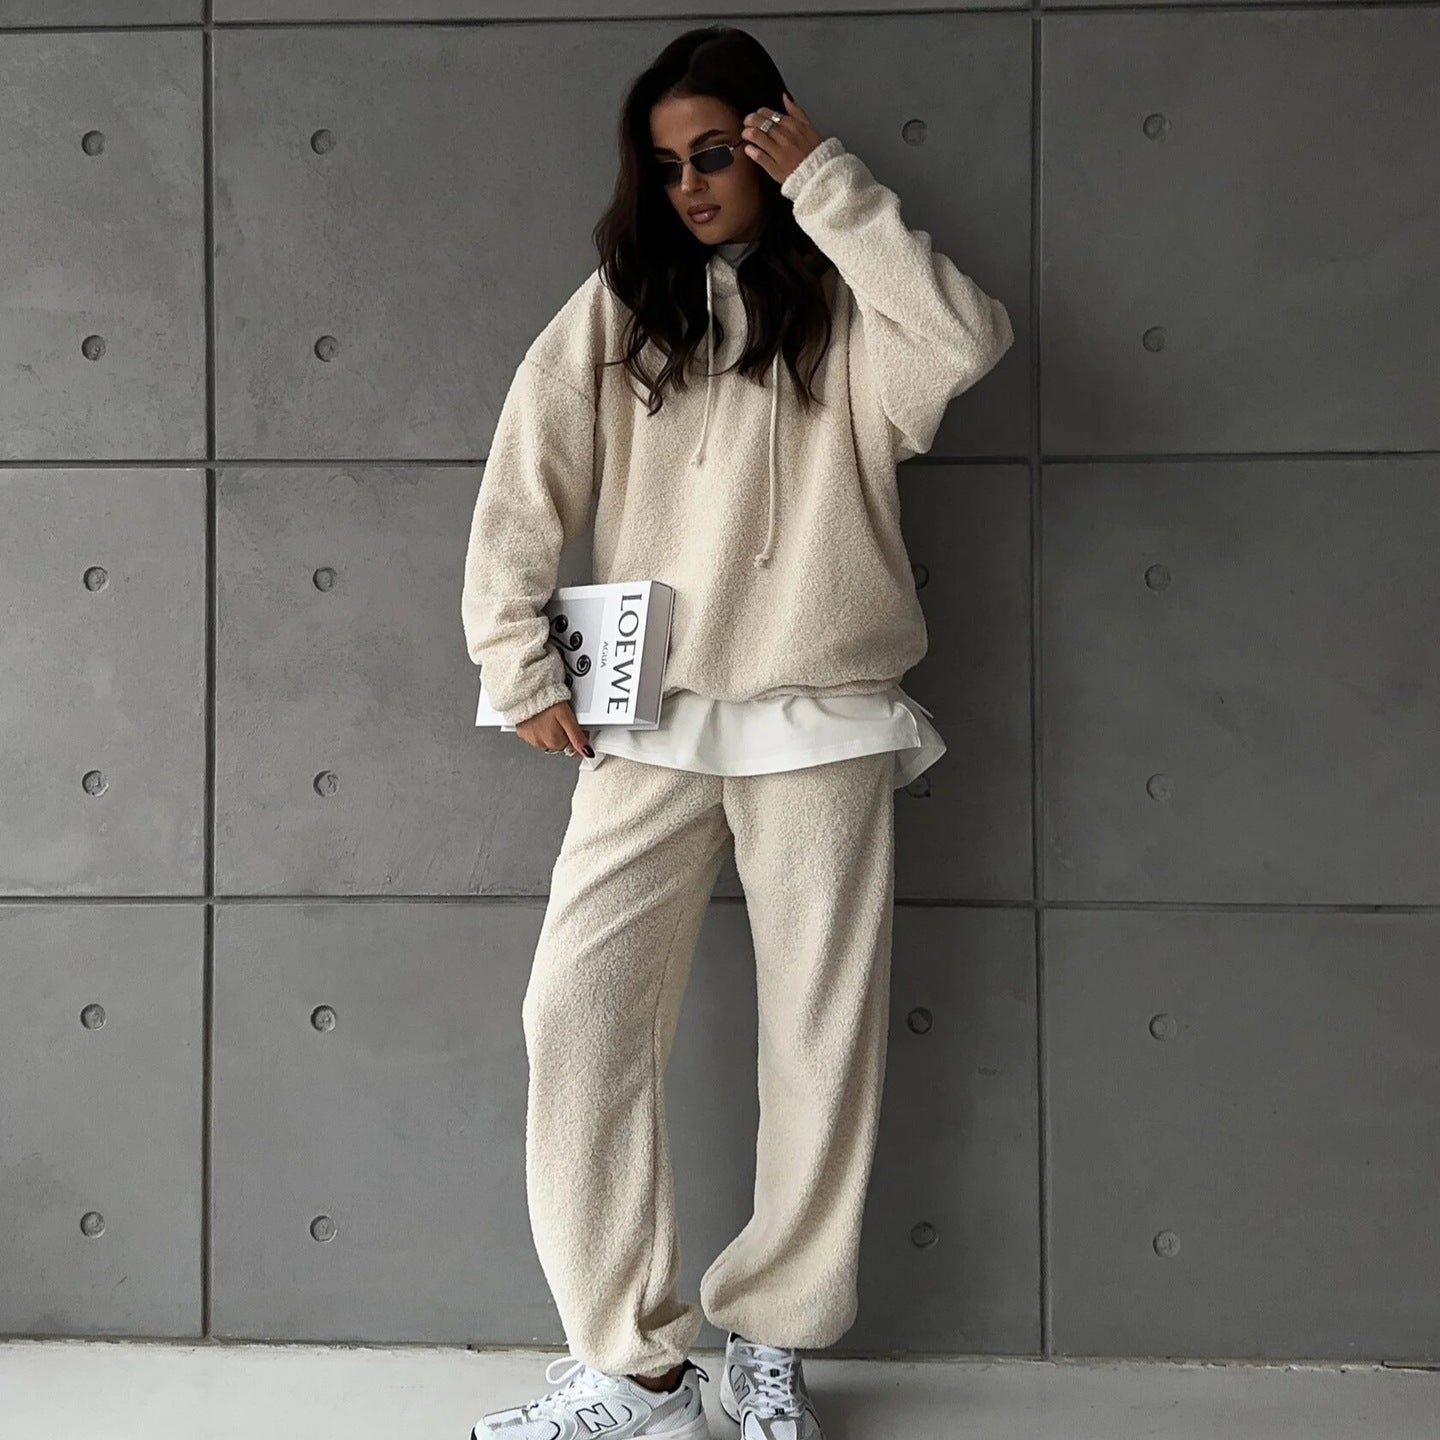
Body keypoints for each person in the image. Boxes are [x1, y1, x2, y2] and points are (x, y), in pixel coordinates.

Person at [460, 24, 1014, 1440]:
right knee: (575, 1012)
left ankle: (773, 1339)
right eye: (667, 165)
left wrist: (829, 182)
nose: (692, 186)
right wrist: (518, 660)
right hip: (648, 720)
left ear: (769, 144)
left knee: (820, 1038)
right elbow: (524, 477)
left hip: (823, 717)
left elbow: (968, 339)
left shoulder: (854, 309)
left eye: (716, 154)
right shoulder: (620, 307)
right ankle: (636, 1365)